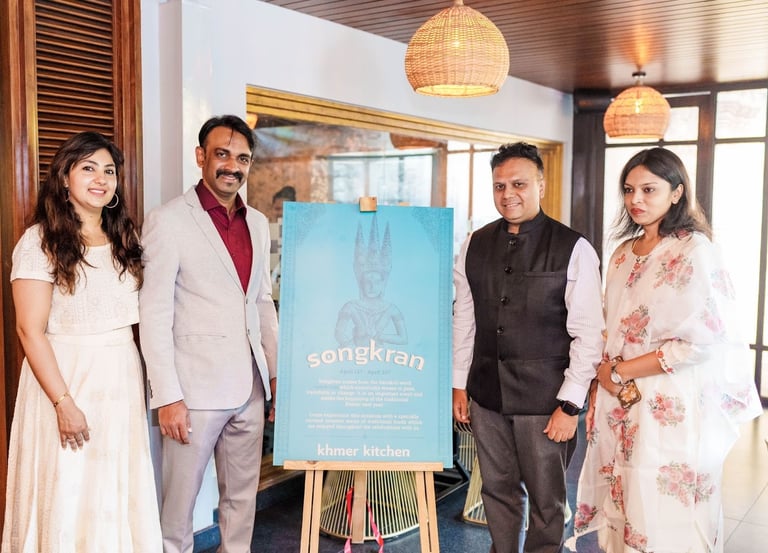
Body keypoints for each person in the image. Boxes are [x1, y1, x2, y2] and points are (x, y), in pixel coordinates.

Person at [573, 148, 762, 552]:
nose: (636, 200)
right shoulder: (623, 253)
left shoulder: (694, 250)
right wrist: (602, 383)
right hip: (618, 396)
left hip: (666, 398)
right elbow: (613, 327)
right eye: (629, 190)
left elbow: (701, 341)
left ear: (676, 193)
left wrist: (620, 372)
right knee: (622, 494)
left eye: (649, 190)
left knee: (662, 505)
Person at [1, 131, 162, 552]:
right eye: (88, 168)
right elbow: (29, 330)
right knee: (69, 488)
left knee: (114, 487)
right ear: (64, 177)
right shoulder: (39, 241)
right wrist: (63, 403)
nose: (101, 178)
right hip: (66, 378)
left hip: (120, 376)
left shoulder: (126, 238)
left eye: (109, 171)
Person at [452, 142, 604, 553]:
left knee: (547, 502)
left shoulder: (574, 248)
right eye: (499, 186)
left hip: (545, 400)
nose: (508, 194)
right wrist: (459, 384)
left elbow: (589, 335)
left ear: (540, 184)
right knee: (496, 491)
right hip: (487, 395)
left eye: (518, 184)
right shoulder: (473, 243)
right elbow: (465, 319)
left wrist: (570, 405)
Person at [139, 115, 278, 553]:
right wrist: (167, 396)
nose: (232, 166)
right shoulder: (167, 221)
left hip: (250, 387)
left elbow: (261, 302)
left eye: (243, 158)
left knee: (241, 502)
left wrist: (275, 375)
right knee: (177, 510)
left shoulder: (258, 223)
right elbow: (154, 314)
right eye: (222, 154)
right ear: (201, 156)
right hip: (192, 393)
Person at [334, 215, 407, 346]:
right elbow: (339, 332)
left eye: (377, 282)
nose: (372, 286)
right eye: (368, 282)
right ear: (361, 283)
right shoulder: (351, 307)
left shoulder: (391, 309)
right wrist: (350, 345)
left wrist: (381, 336)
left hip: (380, 355)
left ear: (383, 284)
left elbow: (403, 339)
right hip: (355, 354)